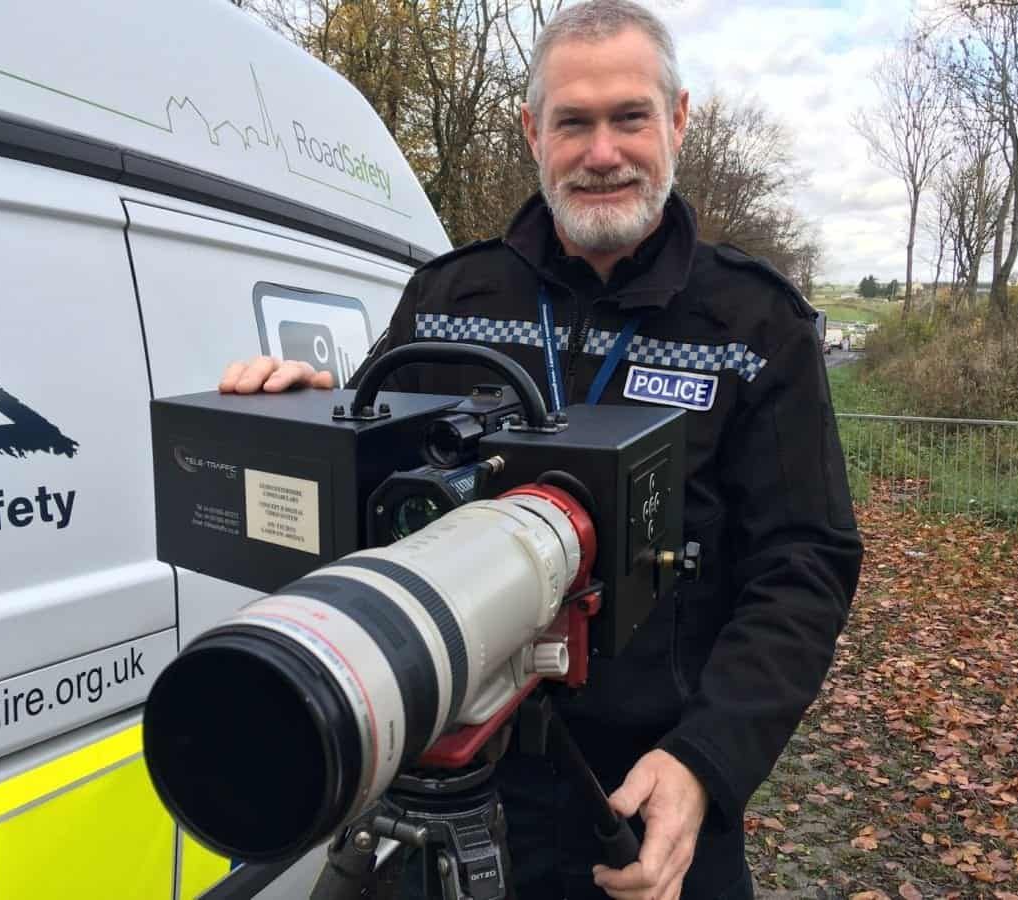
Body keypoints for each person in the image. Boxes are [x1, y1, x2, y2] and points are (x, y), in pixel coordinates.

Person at [221, 1, 863, 897]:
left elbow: (806, 562)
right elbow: (374, 480)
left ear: (677, 121)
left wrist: (708, 762)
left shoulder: (757, 325)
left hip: (643, 797)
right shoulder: (449, 296)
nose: (602, 152)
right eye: (574, 122)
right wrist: (305, 415)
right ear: (532, 131)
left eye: (630, 117)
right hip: (444, 777)